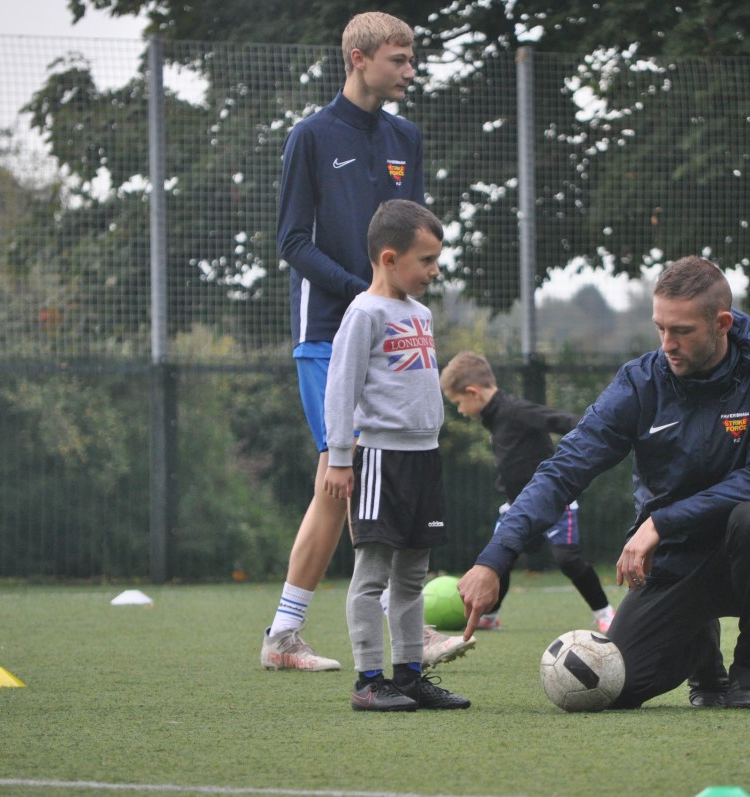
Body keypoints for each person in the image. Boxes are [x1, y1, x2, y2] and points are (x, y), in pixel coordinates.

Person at [458, 257, 750, 709]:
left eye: (682, 331)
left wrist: (660, 522)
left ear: (722, 324)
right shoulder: (640, 382)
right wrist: (494, 558)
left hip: (739, 552)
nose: (667, 344)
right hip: (671, 561)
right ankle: (700, 649)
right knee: (615, 688)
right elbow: (564, 470)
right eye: (660, 328)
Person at [263, 11, 473, 671]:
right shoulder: (311, 136)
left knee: (381, 475)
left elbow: (410, 233)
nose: (409, 71)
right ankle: (286, 635)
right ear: (359, 59)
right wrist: (365, 296)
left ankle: (372, 635)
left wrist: (401, 301)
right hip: (330, 334)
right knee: (341, 477)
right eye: (398, 60)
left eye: (412, 59)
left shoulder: (404, 136)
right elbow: (292, 241)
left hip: (395, 334)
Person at [323, 199, 471, 711]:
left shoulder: (421, 313)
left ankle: (409, 676)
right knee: (372, 576)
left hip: (423, 460)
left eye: (435, 259)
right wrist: (341, 457)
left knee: (412, 577)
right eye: (425, 260)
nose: (434, 270)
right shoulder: (364, 313)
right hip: (380, 461)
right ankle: (368, 680)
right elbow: (340, 388)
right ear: (389, 259)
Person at [439, 352, 617, 632]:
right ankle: (490, 615)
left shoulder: (515, 410)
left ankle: (605, 613)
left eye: (458, 403)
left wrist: (594, 440)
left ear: (472, 392)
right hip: (516, 506)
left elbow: (563, 420)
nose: (460, 410)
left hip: (553, 502)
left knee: (567, 559)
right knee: (499, 560)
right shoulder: (493, 418)